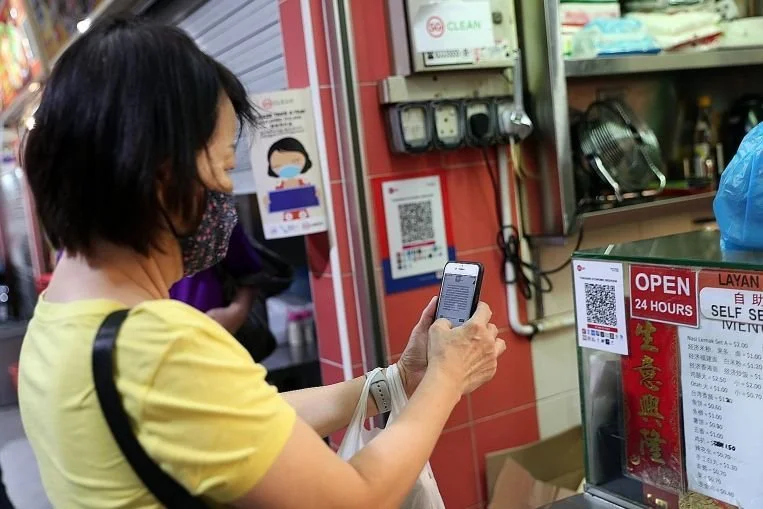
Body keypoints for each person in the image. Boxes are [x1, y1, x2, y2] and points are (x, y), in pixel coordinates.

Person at [18, 17, 506, 508]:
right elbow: (357, 499)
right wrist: (448, 378)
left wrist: (395, 383)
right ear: (165, 176)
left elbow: (246, 418)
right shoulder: (160, 344)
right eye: (227, 166)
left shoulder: (56, 318)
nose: (229, 192)